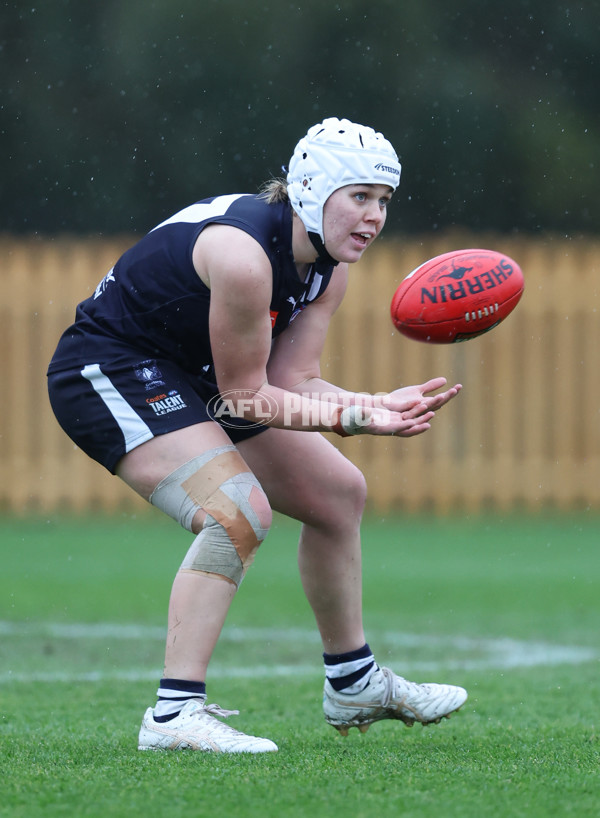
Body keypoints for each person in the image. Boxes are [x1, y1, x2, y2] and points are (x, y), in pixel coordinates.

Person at [47, 117, 467, 754]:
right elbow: (248, 395)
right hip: (108, 368)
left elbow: (293, 381)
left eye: (383, 201)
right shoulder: (244, 257)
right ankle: (173, 713)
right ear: (310, 188)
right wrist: (356, 416)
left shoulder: (328, 268)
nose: (374, 216)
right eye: (358, 196)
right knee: (236, 512)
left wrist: (371, 404)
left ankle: (352, 680)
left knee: (337, 493)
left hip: (196, 375)